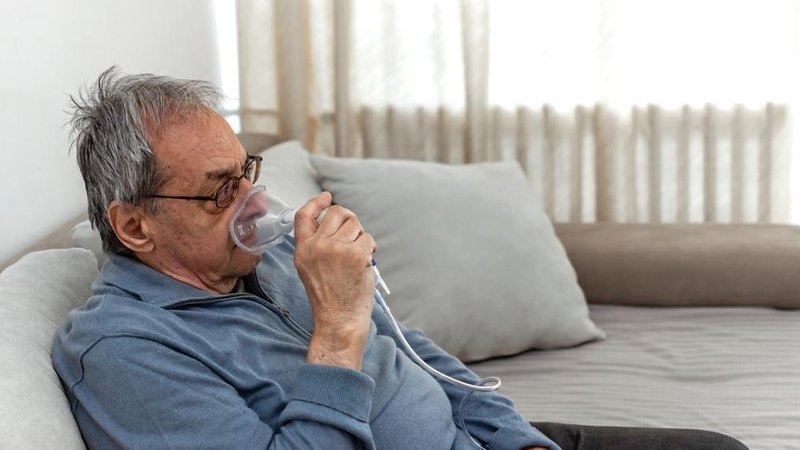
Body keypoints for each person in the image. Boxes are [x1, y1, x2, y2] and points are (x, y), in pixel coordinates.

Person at [52, 68, 747, 450]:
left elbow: (413, 354)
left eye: (247, 172)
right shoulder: (123, 352)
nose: (256, 204)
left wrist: (519, 442)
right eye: (219, 192)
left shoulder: (266, 260)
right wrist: (337, 332)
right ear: (135, 226)